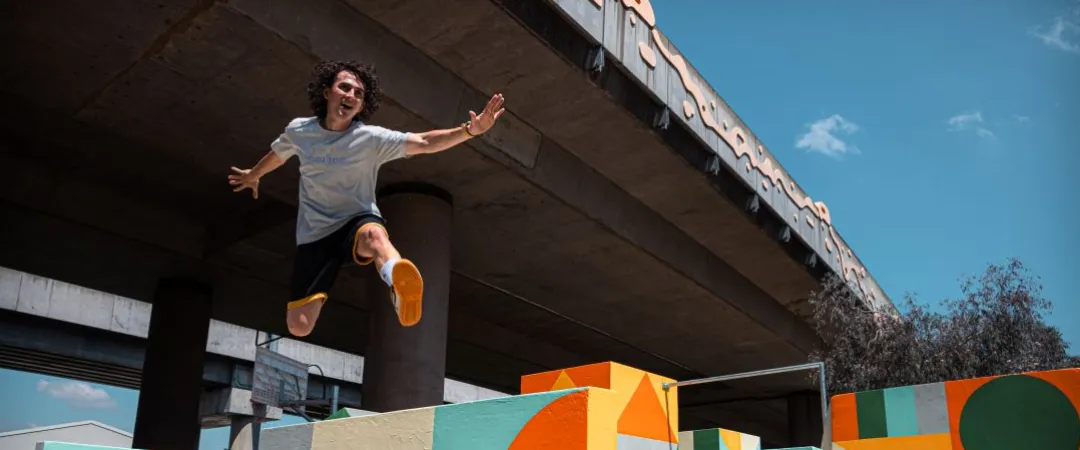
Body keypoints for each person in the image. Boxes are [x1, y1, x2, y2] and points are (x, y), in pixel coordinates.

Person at [228, 60, 505, 337]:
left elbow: (424, 142)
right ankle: (388, 279)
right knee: (299, 327)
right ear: (327, 92)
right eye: (344, 87)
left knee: (375, 235)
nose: (351, 95)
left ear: (362, 106)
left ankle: (397, 281)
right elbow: (278, 153)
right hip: (315, 235)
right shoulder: (300, 131)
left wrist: (470, 130)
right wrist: (254, 174)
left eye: (358, 94)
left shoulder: (370, 138)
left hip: (356, 221)